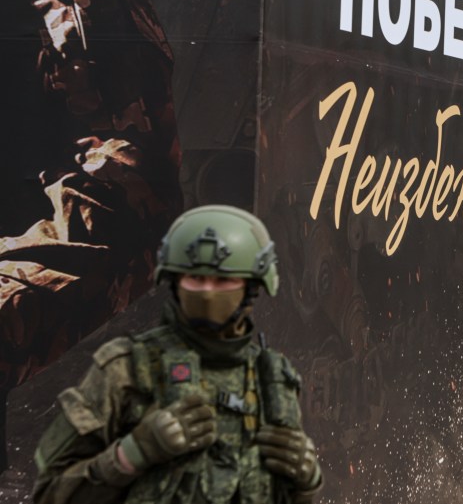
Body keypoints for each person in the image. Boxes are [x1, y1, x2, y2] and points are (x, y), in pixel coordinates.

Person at [32, 205, 322, 503]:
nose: (209, 293)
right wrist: (131, 454)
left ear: (253, 287)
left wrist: (305, 483)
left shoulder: (270, 376)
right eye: (196, 279)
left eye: (224, 280)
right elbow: (51, 494)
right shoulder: (126, 368)